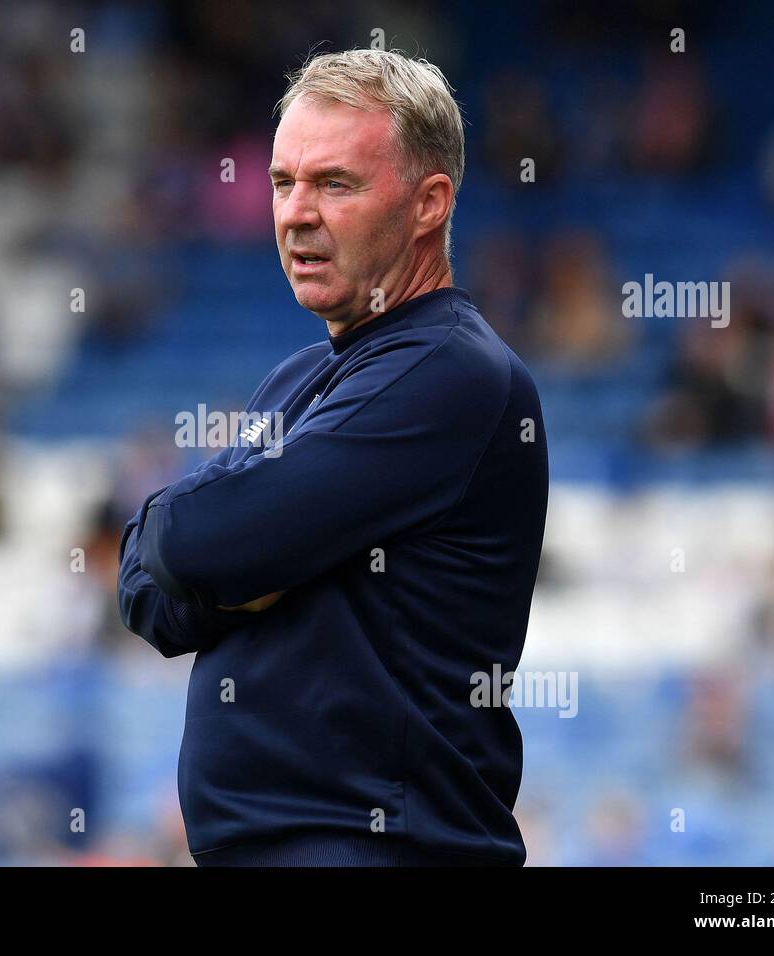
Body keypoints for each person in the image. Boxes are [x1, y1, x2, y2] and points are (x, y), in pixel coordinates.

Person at [118, 48, 548, 866]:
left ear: (429, 204)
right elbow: (148, 593)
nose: (295, 213)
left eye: (335, 185)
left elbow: (195, 543)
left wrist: (224, 559)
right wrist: (228, 556)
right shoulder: (299, 378)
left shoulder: (450, 373)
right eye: (284, 183)